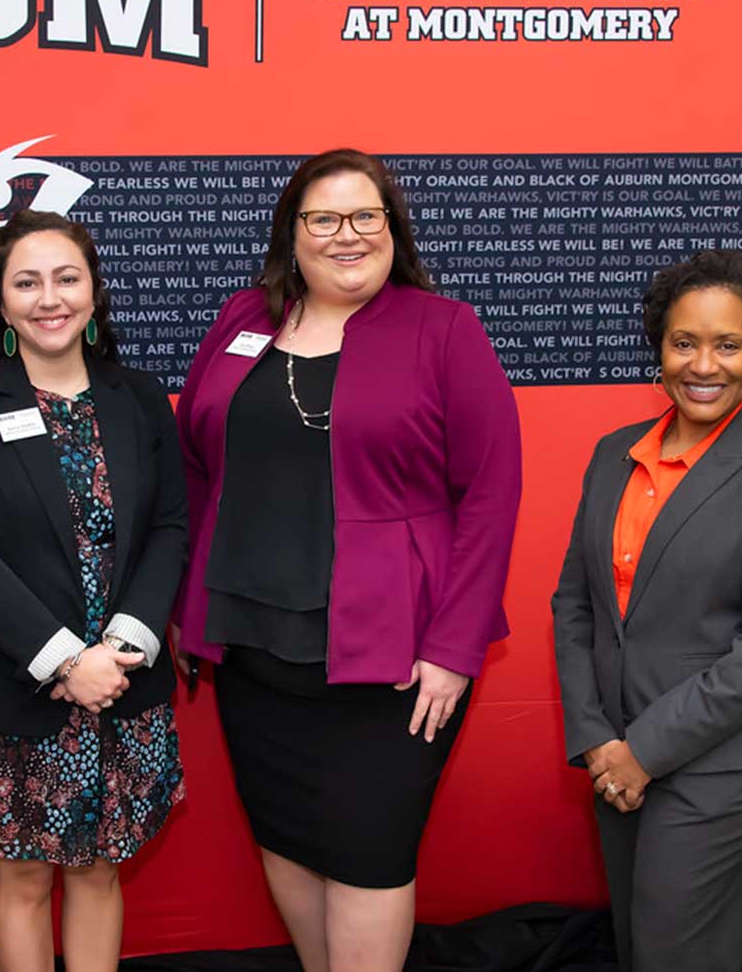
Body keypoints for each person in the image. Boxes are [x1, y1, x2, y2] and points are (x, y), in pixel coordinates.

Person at [173, 149, 523, 972]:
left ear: (392, 230)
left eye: (366, 216)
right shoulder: (242, 321)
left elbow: (491, 495)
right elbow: (195, 459)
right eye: (323, 219)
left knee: (369, 851)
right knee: (287, 839)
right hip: (255, 645)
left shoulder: (445, 330)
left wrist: (453, 648)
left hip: (395, 658)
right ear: (291, 236)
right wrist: (190, 605)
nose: (346, 236)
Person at [551, 249, 742, 972]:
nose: (704, 365)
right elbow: (575, 604)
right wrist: (596, 738)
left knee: (678, 956)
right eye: (684, 342)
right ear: (660, 349)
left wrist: (645, 750)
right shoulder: (615, 454)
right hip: (615, 750)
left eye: (728, 344)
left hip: (722, 760)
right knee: (637, 947)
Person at [0, 210, 188, 972]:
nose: (50, 298)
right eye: (27, 282)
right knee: (24, 874)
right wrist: (70, 662)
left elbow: (171, 526)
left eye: (67, 278)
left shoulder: (138, 398)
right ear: (1, 304)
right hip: (18, 686)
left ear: (94, 292)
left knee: (101, 868)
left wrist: (124, 647)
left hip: (124, 686)